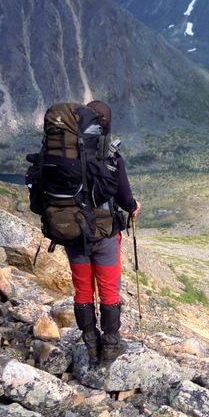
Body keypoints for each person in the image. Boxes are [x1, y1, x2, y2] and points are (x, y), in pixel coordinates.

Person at [69, 100, 140, 363]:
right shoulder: (109, 154)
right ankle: (110, 344)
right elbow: (124, 197)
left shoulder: (65, 152)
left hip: (72, 233)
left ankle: (90, 343)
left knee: (83, 290)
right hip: (104, 232)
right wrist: (133, 207)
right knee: (109, 290)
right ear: (107, 124)